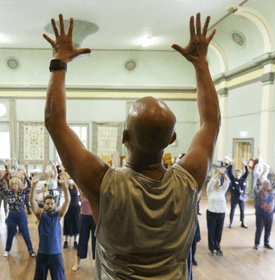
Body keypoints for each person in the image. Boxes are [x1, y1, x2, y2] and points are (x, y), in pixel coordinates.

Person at [43, 13, 220, 279]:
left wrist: (60, 62)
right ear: (172, 141)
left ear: (124, 137)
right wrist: (200, 63)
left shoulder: (103, 184)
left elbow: (54, 122)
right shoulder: (191, 177)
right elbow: (211, 122)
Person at [30, 172, 70, 280]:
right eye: (47, 203)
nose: (50, 205)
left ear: (56, 204)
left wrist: (65, 186)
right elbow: (32, 201)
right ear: (44, 204)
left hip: (56, 254)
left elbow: (67, 201)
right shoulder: (40, 215)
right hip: (42, 254)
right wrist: (34, 185)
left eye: (52, 203)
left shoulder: (59, 215)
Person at [0, 174, 36, 257]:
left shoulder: (22, 192)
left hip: (21, 214)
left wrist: (27, 178)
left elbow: (29, 188)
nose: (14, 185)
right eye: (12, 184)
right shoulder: (9, 192)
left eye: (15, 184)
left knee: (25, 233)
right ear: (11, 185)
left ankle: (30, 250)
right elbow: (1, 187)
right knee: (10, 233)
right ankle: (7, 250)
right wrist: (2, 177)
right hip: (12, 215)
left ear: (18, 184)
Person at [254, 164, 275, 250]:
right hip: (260, 213)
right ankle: (256, 243)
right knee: (259, 229)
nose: (266, 185)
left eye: (267, 183)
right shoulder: (258, 191)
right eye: (264, 183)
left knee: (268, 230)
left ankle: (266, 243)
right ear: (262, 184)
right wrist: (263, 173)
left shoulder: (270, 190)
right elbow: (258, 182)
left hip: (270, 214)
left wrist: (274, 175)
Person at [206, 168, 229, 256]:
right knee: (211, 231)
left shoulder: (222, 191)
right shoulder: (210, 190)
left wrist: (224, 173)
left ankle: (217, 247)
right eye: (216, 181)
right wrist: (218, 173)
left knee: (219, 231)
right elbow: (211, 180)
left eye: (219, 181)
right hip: (211, 213)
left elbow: (227, 181)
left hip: (221, 213)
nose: (217, 182)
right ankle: (211, 249)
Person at [72, 188, 96, 271]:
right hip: (84, 217)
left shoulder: (95, 193)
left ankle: (98, 265)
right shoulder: (82, 192)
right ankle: (78, 263)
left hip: (94, 218)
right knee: (82, 240)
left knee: (96, 241)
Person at [227, 158, 249, 228]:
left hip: (242, 198)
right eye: (236, 173)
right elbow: (229, 172)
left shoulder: (243, 178)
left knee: (242, 211)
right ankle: (230, 223)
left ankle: (242, 222)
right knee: (232, 210)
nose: (237, 174)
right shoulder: (233, 179)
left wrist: (245, 165)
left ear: (240, 173)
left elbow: (247, 173)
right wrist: (231, 164)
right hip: (234, 197)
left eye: (239, 173)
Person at [63, 177, 80, 249]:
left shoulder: (76, 187)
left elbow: (78, 183)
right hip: (67, 208)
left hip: (76, 208)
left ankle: (75, 241)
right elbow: (65, 183)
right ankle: (66, 241)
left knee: (76, 224)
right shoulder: (67, 187)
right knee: (67, 224)